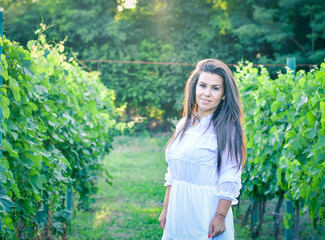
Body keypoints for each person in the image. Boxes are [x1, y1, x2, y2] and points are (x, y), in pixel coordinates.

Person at [158, 59, 246, 240]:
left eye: (215, 88)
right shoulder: (184, 124)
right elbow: (173, 175)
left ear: (223, 94)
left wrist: (220, 217)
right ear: (194, 88)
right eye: (202, 85)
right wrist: (166, 209)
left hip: (206, 211)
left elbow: (231, 176)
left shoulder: (227, 129)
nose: (207, 93)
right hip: (178, 210)